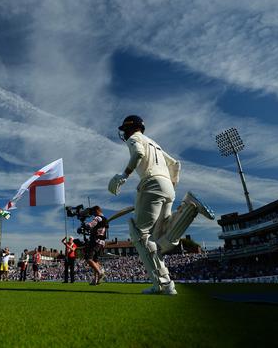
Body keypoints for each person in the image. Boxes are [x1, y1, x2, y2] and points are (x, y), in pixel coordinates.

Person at [108, 115, 215, 295]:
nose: (124, 134)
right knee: (160, 240)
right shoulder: (154, 143)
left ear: (129, 129)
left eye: (124, 130)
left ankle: (161, 285)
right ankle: (188, 208)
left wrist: (124, 175)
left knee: (139, 235)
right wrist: (170, 185)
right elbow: (175, 164)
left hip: (151, 183)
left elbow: (138, 154)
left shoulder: (135, 138)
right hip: (167, 186)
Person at [83, 206, 108, 285]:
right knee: (95, 261)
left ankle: (100, 273)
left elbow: (90, 225)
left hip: (95, 241)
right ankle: (96, 280)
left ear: (97, 210)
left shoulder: (98, 218)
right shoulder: (105, 219)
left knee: (88, 258)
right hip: (102, 242)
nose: (92, 214)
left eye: (93, 212)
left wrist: (84, 225)